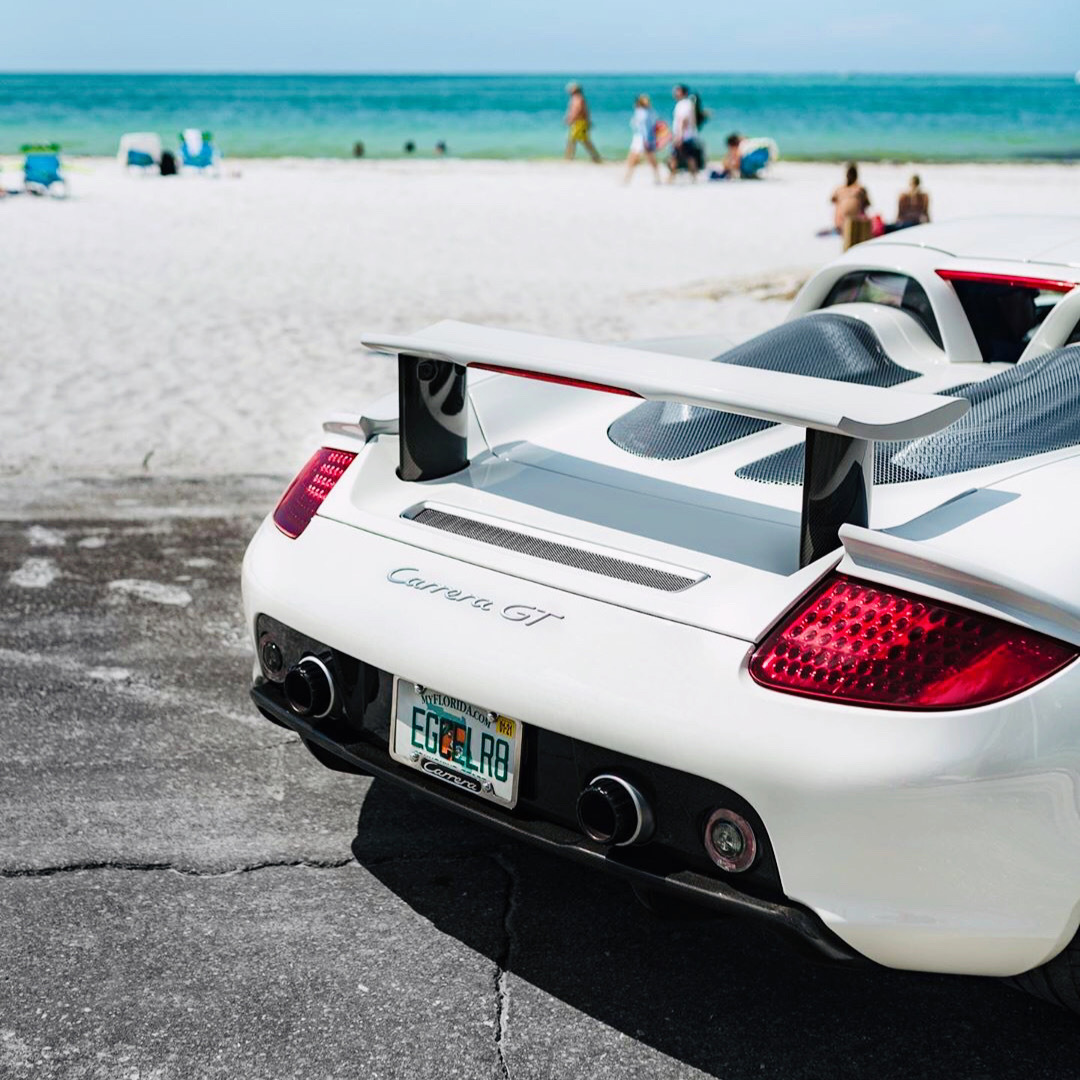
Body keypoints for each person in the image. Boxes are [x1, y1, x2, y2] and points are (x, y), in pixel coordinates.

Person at [668, 84, 705, 182]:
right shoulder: (689, 103)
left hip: (683, 136)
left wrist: (679, 136)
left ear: (683, 93)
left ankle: (671, 178)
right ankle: (693, 177)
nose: (675, 93)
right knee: (688, 156)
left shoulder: (682, 104)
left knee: (676, 156)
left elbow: (683, 120)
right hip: (689, 135)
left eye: (677, 91)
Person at [623, 94, 660, 184]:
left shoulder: (643, 113)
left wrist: (646, 140)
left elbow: (644, 128)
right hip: (642, 137)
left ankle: (627, 178)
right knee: (648, 158)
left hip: (642, 138)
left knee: (635, 158)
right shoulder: (649, 111)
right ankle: (657, 177)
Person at [564, 82, 602, 163]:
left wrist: (571, 118)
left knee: (574, 140)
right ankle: (595, 157)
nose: (569, 90)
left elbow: (578, 109)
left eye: (571, 89)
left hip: (579, 123)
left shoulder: (578, 98)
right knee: (581, 141)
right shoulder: (579, 98)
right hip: (580, 122)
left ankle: (568, 158)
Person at [831, 162, 871, 231]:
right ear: (857, 176)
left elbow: (833, 200)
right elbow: (867, 204)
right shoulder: (860, 189)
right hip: (856, 223)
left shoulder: (839, 189)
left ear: (846, 175)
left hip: (840, 224)